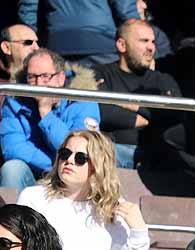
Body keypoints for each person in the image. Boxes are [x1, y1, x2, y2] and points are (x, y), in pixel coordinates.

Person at [17, 130, 147, 250]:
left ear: (97, 166)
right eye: (64, 154)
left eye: (80, 158)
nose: (69, 161)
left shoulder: (111, 207)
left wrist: (138, 232)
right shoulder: (33, 198)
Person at [0, 48, 100, 193]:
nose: (39, 83)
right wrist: (54, 165)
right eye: (32, 77)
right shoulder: (15, 100)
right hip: (33, 172)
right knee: (12, 169)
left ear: (61, 78)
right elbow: (13, 148)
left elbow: (83, 150)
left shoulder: (83, 99)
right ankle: (11, 215)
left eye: (46, 76)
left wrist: (46, 114)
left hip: (72, 173)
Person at [93, 19, 184, 170]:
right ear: (122, 45)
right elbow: (100, 111)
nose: (151, 48)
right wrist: (149, 115)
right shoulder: (100, 73)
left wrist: (128, 104)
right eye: (144, 41)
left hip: (156, 157)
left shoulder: (163, 80)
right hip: (112, 153)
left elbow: (176, 114)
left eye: (153, 42)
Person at [17, 0, 139, 66]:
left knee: (63, 102)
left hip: (60, 44)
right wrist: (139, 43)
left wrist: (28, 41)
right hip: (101, 44)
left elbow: (28, 7)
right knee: (106, 102)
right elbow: (126, 10)